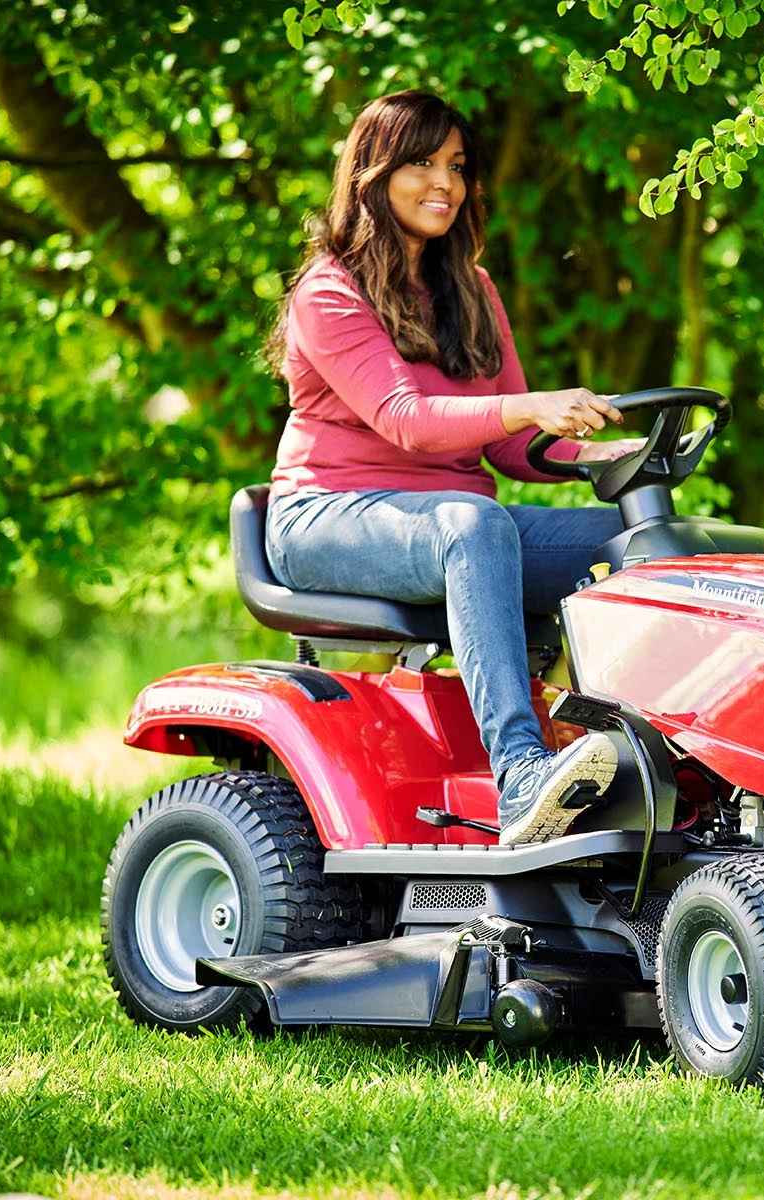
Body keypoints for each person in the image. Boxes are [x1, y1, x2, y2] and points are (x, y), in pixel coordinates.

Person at [262, 90, 643, 845]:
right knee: (473, 523)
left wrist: (612, 456)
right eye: (423, 163)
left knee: (640, 546)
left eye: (458, 166)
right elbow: (406, 420)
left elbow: (507, 448)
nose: (446, 183)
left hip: (462, 524)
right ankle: (522, 776)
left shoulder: (473, 289)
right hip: (327, 516)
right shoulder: (329, 291)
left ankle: (659, 759)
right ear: (373, 173)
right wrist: (533, 405)